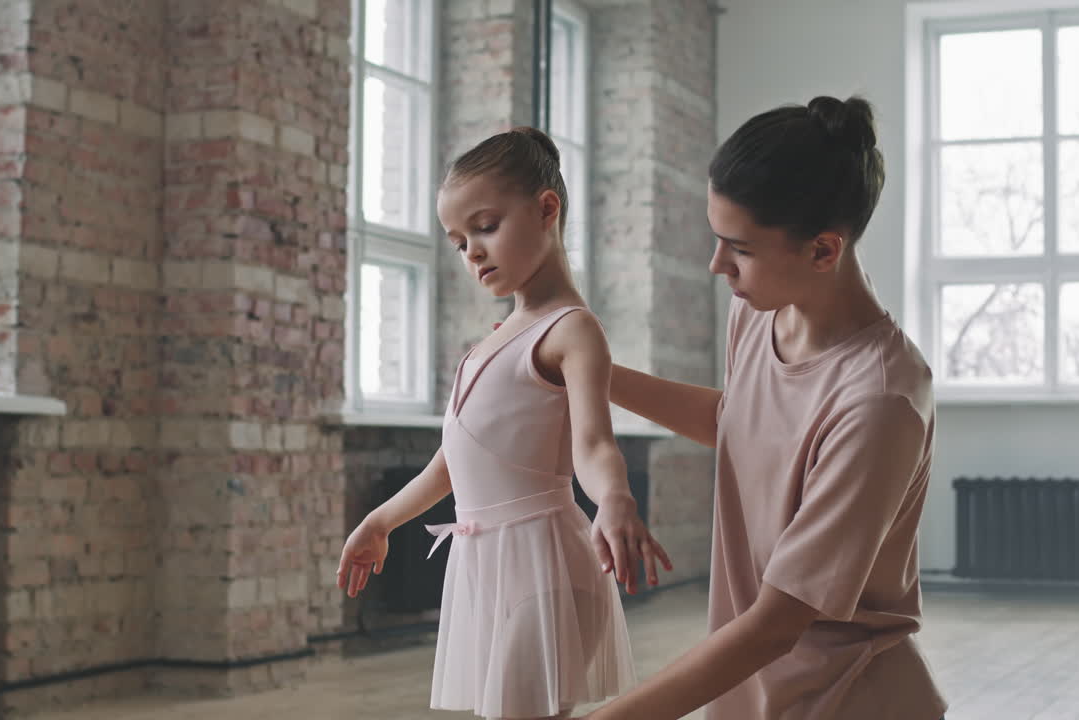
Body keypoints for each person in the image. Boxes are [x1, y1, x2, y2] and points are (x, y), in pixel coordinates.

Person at [584, 96, 947, 720]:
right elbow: (741, 424)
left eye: (740, 248)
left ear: (824, 250)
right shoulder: (759, 312)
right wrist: (590, 374)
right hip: (756, 695)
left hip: (845, 703)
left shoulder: (881, 400)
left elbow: (778, 623)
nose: (716, 265)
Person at [337, 126, 673, 720]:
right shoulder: (489, 343)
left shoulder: (571, 329)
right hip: (487, 572)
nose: (471, 251)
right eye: (458, 239)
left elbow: (593, 444)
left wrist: (616, 498)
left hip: (550, 571)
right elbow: (454, 463)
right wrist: (381, 519)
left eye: (485, 227)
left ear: (547, 209)